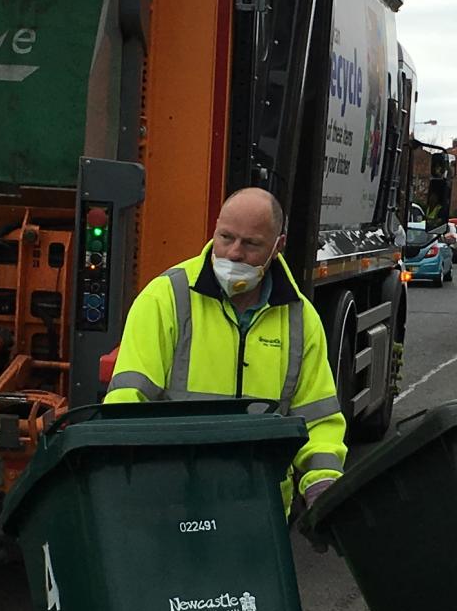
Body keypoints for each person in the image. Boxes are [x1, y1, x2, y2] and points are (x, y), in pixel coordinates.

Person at [105, 187, 346, 510]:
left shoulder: (299, 319)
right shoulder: (165, 299)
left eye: (251, 244)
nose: (233, 253)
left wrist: (322, 484)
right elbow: (127, 402)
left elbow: (318, 418)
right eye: (226, 237)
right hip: (173, 503)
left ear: (278, 247)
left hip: (261, 510)